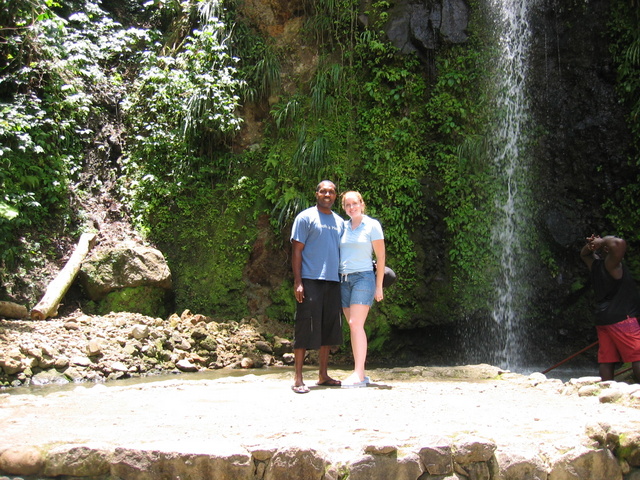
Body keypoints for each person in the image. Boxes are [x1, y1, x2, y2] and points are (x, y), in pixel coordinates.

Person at [290, 180, 345, 393]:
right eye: (324, 191)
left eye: (331, 192)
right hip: (310, 280)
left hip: (333, 281)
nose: (327, 195)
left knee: (329, 329)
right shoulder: (305, 218)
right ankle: (298, 379)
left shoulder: (340, 222)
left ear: (335, 196)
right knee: (305, 327)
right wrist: (298, 282)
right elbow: (297, 251)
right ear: (316, 194)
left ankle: (323, 375)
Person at [339, 191, 386, 388]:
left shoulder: (372, 225)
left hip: (364, 278)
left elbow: (381, 258)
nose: (352, 207)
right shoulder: (343, 226)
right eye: (347, 205)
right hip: (343, 279)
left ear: (361, 204)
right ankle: (361, 373)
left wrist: (379, 286)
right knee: (353, 326)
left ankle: (358, 375)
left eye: (355, 204)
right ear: (344, 208)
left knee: (355, 322)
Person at [580, 234, 640, 381]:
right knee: (638, 355)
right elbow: (620, 243)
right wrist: (601, 241)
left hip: (603, 319)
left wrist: (591, 246)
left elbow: (584, 254)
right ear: (607, 248)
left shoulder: (595, 264)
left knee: (607, 359)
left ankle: (607, 389)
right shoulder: (613, 265)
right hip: (622, 318)